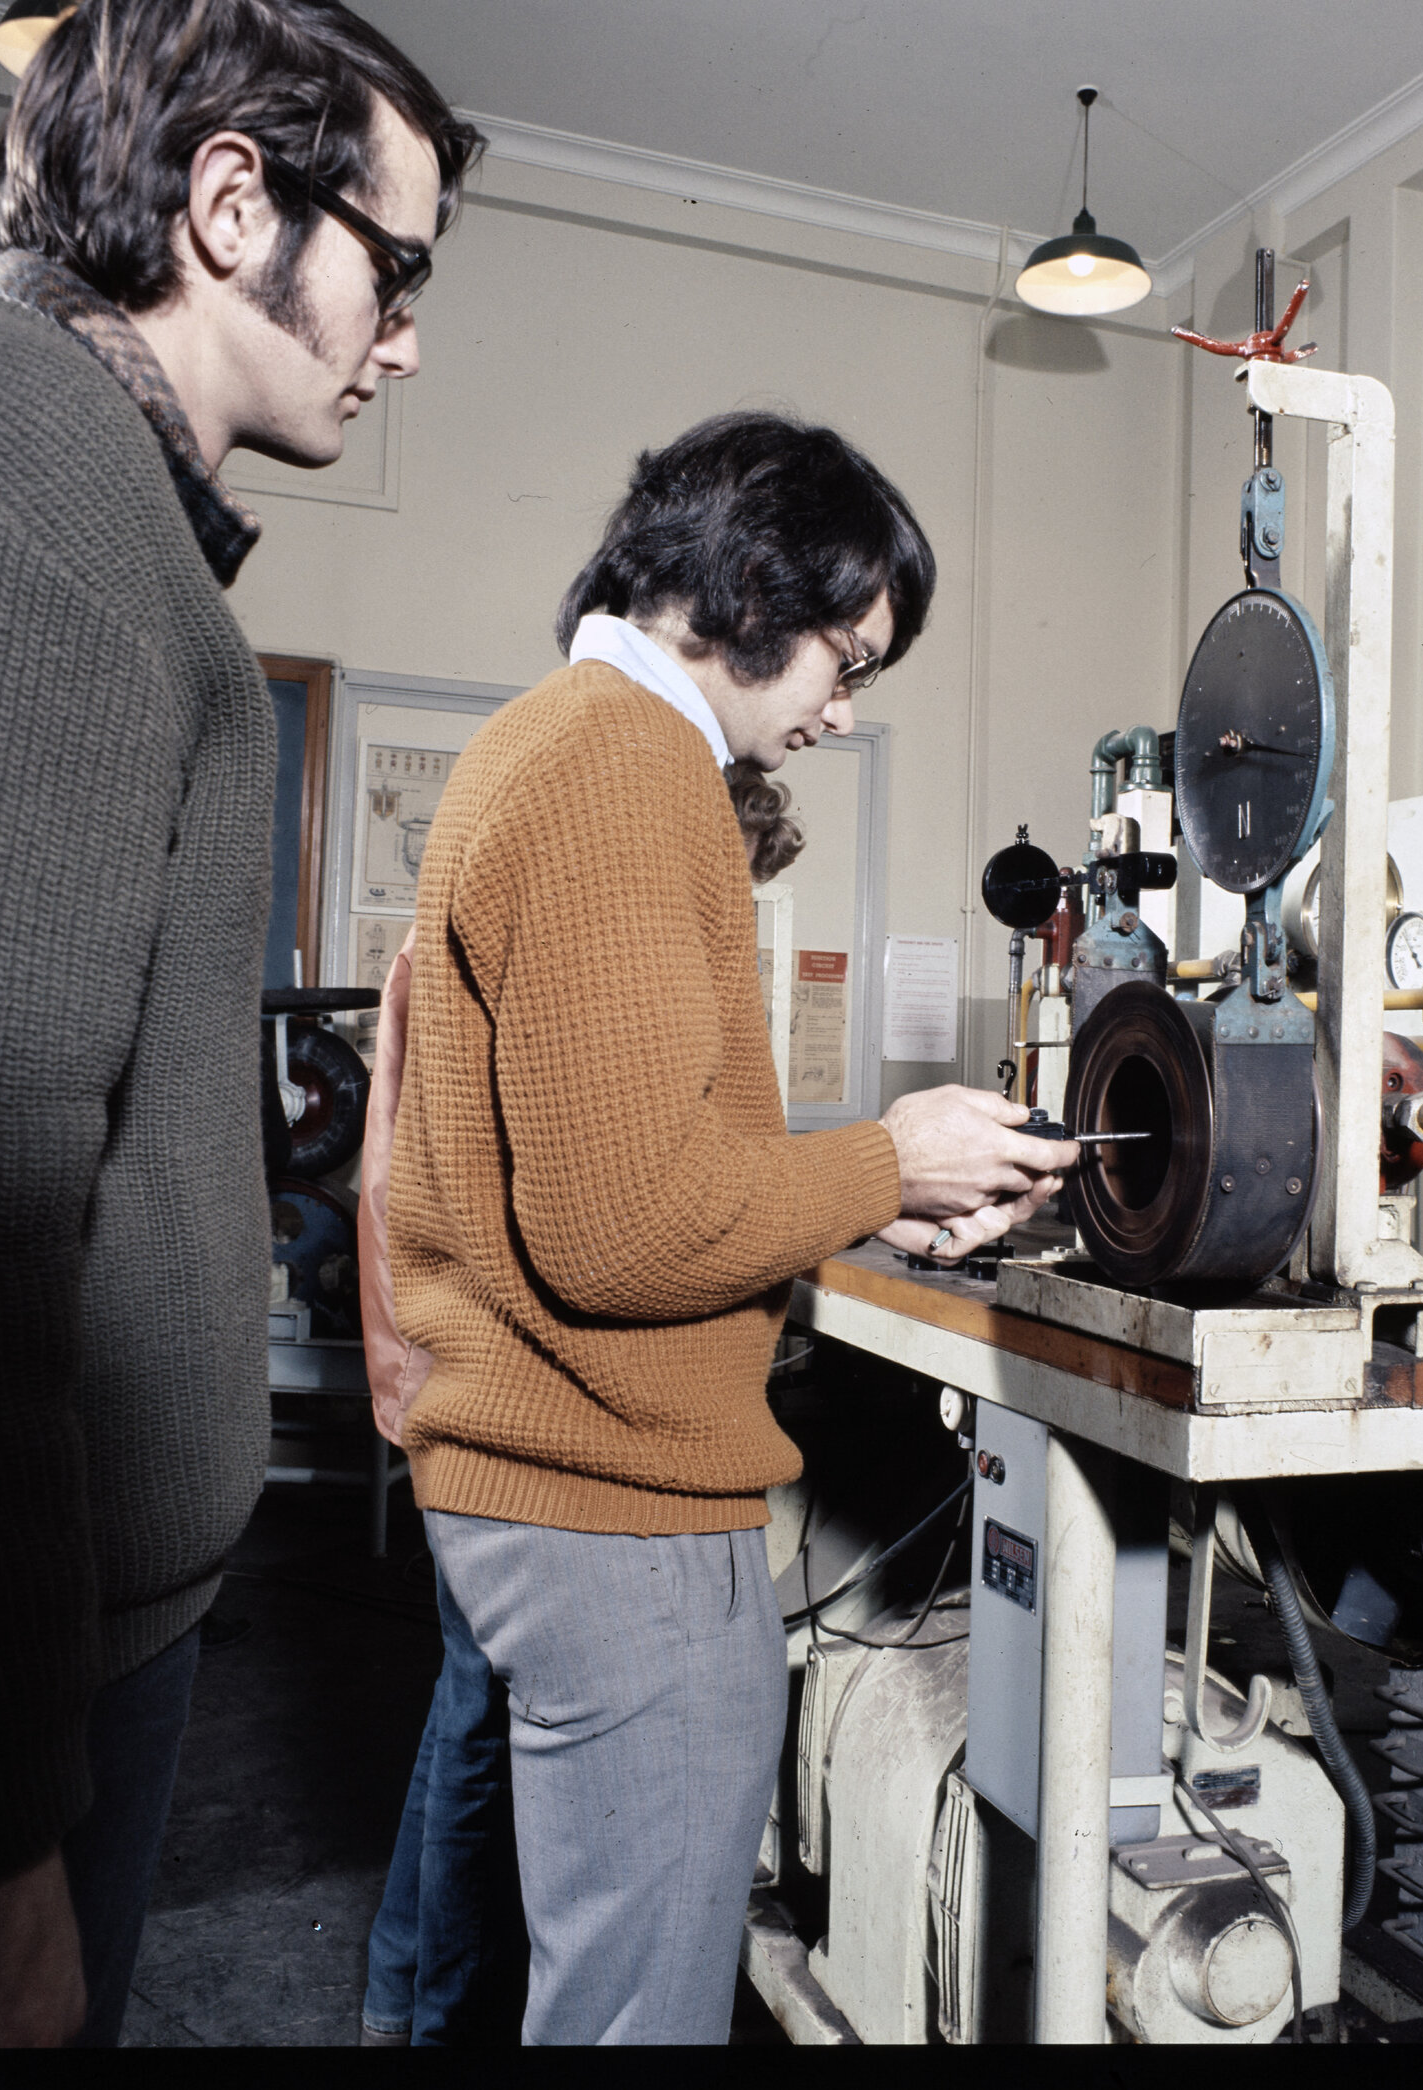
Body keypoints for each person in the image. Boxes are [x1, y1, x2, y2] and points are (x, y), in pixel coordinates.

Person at [0, 0, 482, 2049]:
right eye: (395, 266)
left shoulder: (22, 455)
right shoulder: (14, 470)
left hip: (47, 1656)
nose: (405, 341)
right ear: (227, 207)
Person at [385, 411, 1079, 2044]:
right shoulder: (623, 768)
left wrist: (875, 1199)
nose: (842, 710)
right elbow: (623, 1225)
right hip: (608, 1512)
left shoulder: (569, 745)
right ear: (753, 586)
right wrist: (886, 1161)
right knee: (636, 2015)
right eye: (847, 657)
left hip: (571, 1486)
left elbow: (646, 1161)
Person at [355, 766, 807, 2047]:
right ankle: (432, 2018)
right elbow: (584, 1216)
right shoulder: (566, 912)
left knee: (470, 1718)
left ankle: (403, 1994)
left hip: (458, 1386)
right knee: (472, 1726)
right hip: (483, 1405)